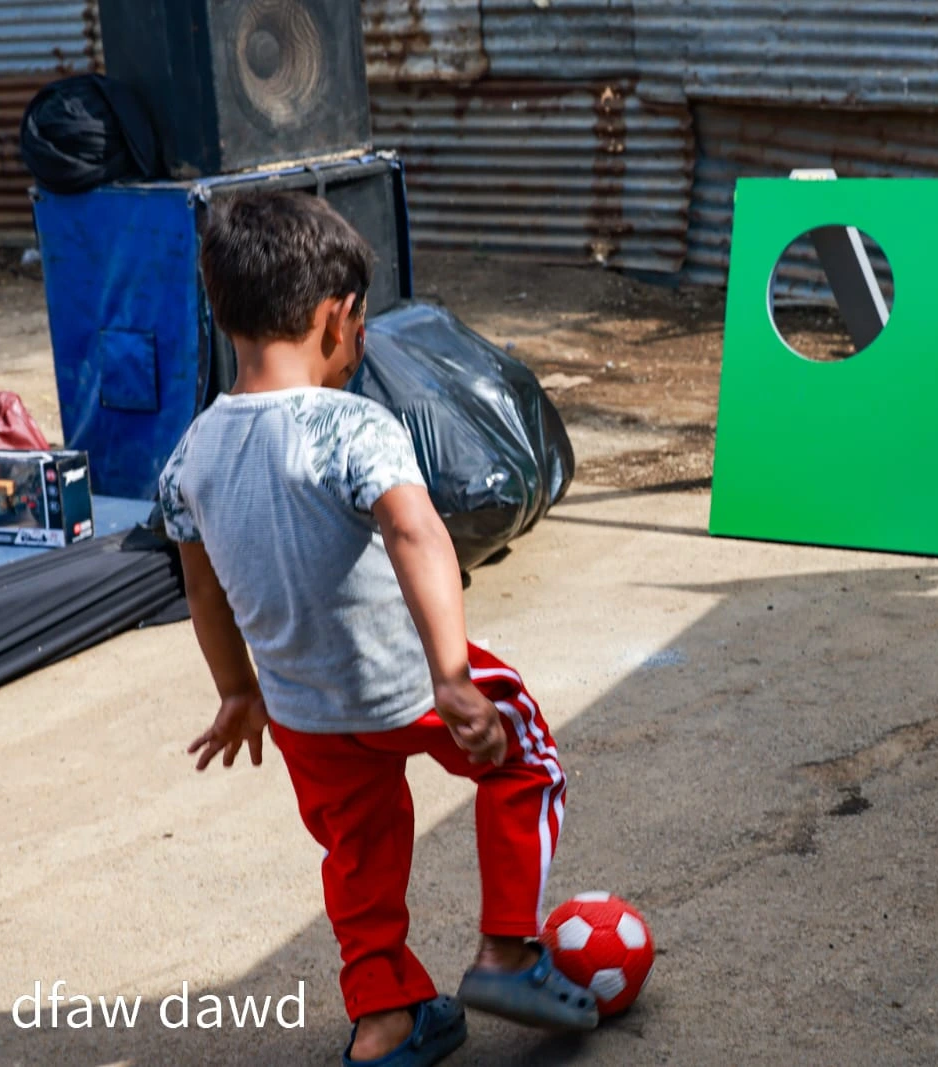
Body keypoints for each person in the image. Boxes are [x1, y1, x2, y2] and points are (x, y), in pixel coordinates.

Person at [158, 191, 597, 1067]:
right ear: (338, 317)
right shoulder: (354, 424)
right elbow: (416, 532)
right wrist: (452, 676)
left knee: (357, 849)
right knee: (522, 757)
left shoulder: (190, 453)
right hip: (402, 681)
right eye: (361, 327)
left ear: (223, 313)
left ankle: (385, 1021)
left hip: (302, 711)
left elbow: (200, 591)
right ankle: (507, 951)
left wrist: (238, 691)